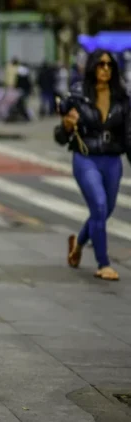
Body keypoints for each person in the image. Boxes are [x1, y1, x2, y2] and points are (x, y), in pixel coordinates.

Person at [57, 49, 131, 281]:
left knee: (105, 211)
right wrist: (68, 126)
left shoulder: (123, 98)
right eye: (100, 64)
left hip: (112, 161)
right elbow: (60, 136)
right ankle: (103, 262)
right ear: (92, 67)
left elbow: (129, 136)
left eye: (110, 65)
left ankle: (77, 244)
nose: (105, 69)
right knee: (98, 206)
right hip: (86, 158)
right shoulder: (78, 96)